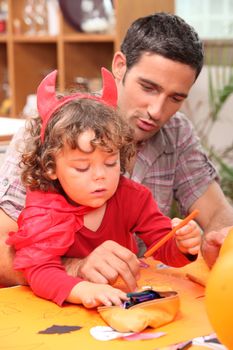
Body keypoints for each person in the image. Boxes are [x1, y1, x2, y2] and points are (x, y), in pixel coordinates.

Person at [0, 12, 232, 287]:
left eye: (175, 98)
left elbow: (217, 212)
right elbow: (3, 256)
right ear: (120, 65)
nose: (157, 111)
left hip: (133, 297)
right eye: (148, 87)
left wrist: (218, 238)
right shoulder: (52, 127)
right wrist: (77, 268)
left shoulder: (176, 131)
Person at [6, 68, 201, 307]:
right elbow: (40, 270)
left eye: (110, 163)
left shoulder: (132, 197)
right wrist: (82, 289)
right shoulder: (45, 208)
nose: (100, 176)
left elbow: (164, 248)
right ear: (51, 168)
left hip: (124, 306)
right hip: (62, 313)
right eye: (81, 168)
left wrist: (183, 244)